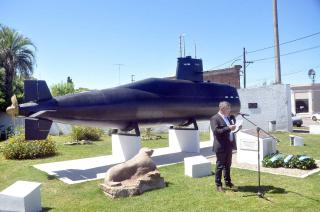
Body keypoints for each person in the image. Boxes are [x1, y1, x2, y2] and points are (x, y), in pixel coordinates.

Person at [210, 101, 237, 192]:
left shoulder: (227, 118)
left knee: (228, 165)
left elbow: (229, 130)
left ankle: (228, 182)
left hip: (228, 145)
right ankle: (218, 185)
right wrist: (228, 128)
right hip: (221, 146)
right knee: (220, 166)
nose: (230, 111)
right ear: (223, 109)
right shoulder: (215, 118)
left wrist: (235, 128)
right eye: (228, 109)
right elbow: (216, 131)